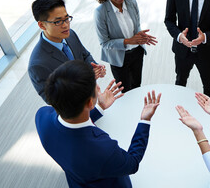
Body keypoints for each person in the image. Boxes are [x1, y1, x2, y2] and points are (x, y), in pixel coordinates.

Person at [35, 60, 161, 188]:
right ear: (90, 102)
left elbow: (72, 121)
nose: (99, 87)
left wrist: (99, 107)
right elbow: (132, 164)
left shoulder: (41, 117)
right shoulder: (104, 149)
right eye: (95, 85)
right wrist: (145, 119)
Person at [28, 0, 106, 102]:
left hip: (92, 96)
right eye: (58, 22)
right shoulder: (37, 64)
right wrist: (83, 81)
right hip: (74, 109)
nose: (65, 25)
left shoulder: (70, 34)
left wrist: (93, 68)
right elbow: (50, 99)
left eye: (66, 18)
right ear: (42, 25)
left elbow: (84, 55)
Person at [92, 0, 157, 93]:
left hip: (137, 52)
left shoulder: (132, 1)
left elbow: (136, 24)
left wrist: (140, 35)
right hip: (119, 58)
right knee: (125, 91)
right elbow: (104, 43)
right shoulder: (100, 12)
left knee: (137, 85)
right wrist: (128, 41)